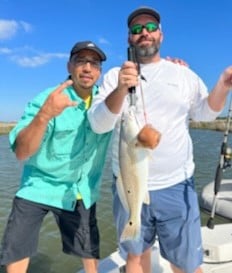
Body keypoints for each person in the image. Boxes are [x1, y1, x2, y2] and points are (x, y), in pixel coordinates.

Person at [87, 6, 232, 273]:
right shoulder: (113, 77)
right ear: (129, 38)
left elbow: (207, 113)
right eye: (137, 29)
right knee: (135, 256)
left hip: (176, 185)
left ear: (161, 35)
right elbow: (98, 124)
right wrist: (120, 88)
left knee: (185, 263)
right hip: (128, 186)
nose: (145, 33)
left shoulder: (183, 74)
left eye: (151, 28)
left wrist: (223, 83)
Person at [0, 41, 112, 273]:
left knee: (89, 250)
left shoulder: (107, 101)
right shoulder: (48, 98)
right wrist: (45, 114)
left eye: (94, 63)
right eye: (81, 61)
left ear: (100, 71)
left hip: (80, 189)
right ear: (69, 66)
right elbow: (21, 152)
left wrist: (172, 66)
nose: (88, 68)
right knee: (16, 247)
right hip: (38, 185)